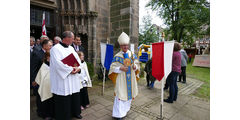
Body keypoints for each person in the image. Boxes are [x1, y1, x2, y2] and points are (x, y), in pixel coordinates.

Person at [50, 31, 83, 120]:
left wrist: (79, 68)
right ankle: (64, 116)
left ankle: (76, 112)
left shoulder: (71, 48)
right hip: (62, 79)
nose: (73, 40)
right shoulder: (55, 49)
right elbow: (57, 64)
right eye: (72, 39)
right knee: (64, 98)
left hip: (73, 77)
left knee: (74, 95)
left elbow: (77, 60)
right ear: (66, 38)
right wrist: (70, 70)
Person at [108, 32, 140, 120]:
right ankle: (118, 115)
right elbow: (112, 68)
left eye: (126, 45)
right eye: (123, 46)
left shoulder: (132, 55)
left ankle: (125, 110)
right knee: (120, 95)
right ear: (121, 46)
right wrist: (120, 68)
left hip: (130, 78)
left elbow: (137, 65)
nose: (125, 47)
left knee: (128, 96)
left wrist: (135, 66)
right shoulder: (117, 56)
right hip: (121, 79)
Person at [30, 40, 53, 117]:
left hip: (48, 80)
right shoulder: (36, 53)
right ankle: (41, 113)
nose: (51, 47)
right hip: (39, 80)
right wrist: (33, 80)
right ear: (44, 45)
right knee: (40, 97)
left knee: (48, 97)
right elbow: (33, 68)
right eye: (50, 45)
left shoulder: (52, 53)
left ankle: (49, 112)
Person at [35, 52, 54, 120]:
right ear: (47, 57)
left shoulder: (54, 64)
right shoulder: (44, 66)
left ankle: (52, 113)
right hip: (45, 86)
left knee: (52, 100)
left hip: (52, 85)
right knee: (46, 100)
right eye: (51, 56)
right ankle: (46, 114)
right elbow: (40, 77)